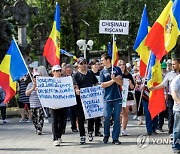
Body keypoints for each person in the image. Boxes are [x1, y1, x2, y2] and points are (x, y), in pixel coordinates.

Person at [149, 58, 180, 137]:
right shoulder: (169, 74)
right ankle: (172, 132)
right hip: (171, 97)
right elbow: (164, 84)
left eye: (174, 64)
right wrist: (155, 88)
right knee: (171, 115)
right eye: (171, 64)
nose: (172, 66)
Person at [73, 57, 99, 144]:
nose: (83, 65)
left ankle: (90, 131)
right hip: (80, 99)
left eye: (84, 63)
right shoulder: (76, 75)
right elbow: (75, 85)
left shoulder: (91, 73)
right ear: (78, 65)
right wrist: (77, 90)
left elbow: (95, 83)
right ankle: (82, 135)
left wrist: (98, 88)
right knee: (80, 118)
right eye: (81, 63)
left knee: (91, 116)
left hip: (90, 98)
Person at [100, 53, 123, 145]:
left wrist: (116, 79)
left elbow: (120, 82)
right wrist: (113, 80)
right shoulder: (102, 72)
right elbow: (102, 85)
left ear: (108, 60)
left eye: (102, 60)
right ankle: (106, 135)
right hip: (107, 98)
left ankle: (115, 138)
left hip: (117, 97)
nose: (101, 62)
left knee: (117, 118)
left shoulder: (117, 69)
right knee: (106, 117)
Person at [50, 65, 67, 146]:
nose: (58, 72)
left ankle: (59, 135)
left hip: (63, 104)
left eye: (59, 70)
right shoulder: (49, 81)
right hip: (53, 105)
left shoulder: (65, 81)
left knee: (62, 121)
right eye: (56, 71)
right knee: (54, 121)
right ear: (53, 72)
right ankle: (55, 138)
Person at [118, 60, 135, 136]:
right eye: (120, 65)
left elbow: (132, 87)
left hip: (127, 96)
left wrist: (130, 82)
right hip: (118, 96)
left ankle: (123, 130)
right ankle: (117, 128)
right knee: (118, 114)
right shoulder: (115, 75)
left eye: (123, 64)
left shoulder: (128, 75)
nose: (122, 66)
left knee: (125, 113)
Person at [89, 59, 103, 137]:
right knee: (91, 115)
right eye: (95, 65)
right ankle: (90, 130)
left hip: (99, 96)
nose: (97, 66)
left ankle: (97, 130)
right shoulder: (89, 73)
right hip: (90, 96)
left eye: (98, 65)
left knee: (98, 114)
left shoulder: (101, 73)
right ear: (92, 65)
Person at [171, 74, 180, 153]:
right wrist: (179, 102)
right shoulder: (177, 80)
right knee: (177, 129)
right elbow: (173, 94)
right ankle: (176, 146)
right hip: (178, 109)